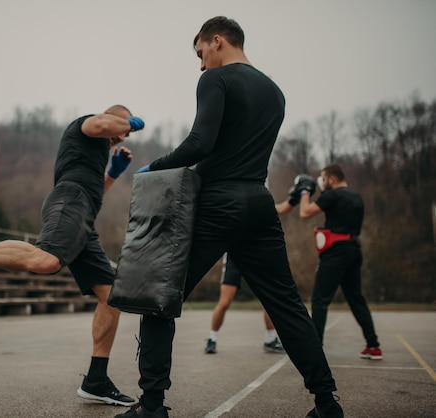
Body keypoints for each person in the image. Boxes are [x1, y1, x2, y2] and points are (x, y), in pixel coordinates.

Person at [116, 17, 342, 418]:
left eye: (201, 54)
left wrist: (157, 167)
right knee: (287, 305)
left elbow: (200, 143)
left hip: (218, 203)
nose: (200, 65)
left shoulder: (214, 81)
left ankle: (151, 406)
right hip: (258, 201)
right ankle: (326, 403)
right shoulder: (275, 92)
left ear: (216, 41)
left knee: (158, 299)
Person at [0, 104, 145, 407]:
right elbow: (99, 125)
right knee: (46, 260)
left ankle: (96, 380)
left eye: (121, 136)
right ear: (111, 119)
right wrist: (130, 122)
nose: (119, 138)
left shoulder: (97, 152)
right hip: (69, 201)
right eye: (119, 131)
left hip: (84, 217)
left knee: (110, 295)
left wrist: (112, 172)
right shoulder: (85, 126)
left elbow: (96, 192)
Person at [292, 165, 382, 360]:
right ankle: (373, 345)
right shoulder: (357, 197)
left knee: (319, 299)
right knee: (356, 299)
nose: (322, 182)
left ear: (332, 178)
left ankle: (315, 348)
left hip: (336, 253)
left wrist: (305, 191)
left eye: (323, 178)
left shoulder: (333, 195)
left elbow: (305, 212)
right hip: (354, 251)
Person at [205, 254, 285, 354]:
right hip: (234, 255)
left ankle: (270, 339)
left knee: (269, 299)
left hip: (256, 254)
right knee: (225, 302)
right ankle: (212, 339)